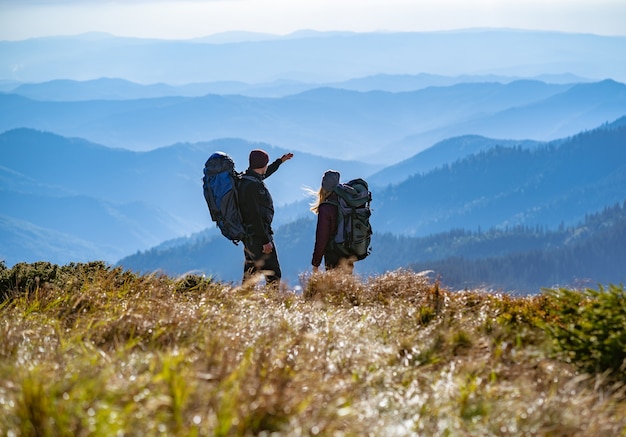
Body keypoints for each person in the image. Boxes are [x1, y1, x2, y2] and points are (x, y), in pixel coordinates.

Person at [238, 148, 293, 285]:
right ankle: (272, 304)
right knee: (273, 274)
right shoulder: (253, 187)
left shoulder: (247, 178)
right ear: (264, 164)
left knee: (251, 274)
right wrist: (265, 241)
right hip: (258, 237)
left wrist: (280, 161)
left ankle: (241, 303)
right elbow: (254, 216)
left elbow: (264, 173)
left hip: (249, 236)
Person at [310, 170, 354, 274]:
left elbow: (322, 238)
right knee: (347, 286)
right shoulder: (346, 203)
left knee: (334, 288)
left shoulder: (326, 207)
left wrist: (316, 263)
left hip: (333, 254)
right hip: (348, 252)